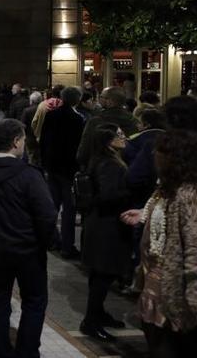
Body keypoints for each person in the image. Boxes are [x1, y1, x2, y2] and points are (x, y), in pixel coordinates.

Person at [0, 118, 57, 358]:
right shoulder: (28, 175)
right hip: (28, 251)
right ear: (16, 142)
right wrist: (46, 241)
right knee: (34, 302)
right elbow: (47, 214)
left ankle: (2, 351)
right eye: (24, 140)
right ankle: (27, 352)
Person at [126, 130, 197, 357]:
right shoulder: (166, 190)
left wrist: (194, 301)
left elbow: (194, 250)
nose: (154, 154)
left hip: (174, 294)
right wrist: (142, 214)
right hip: (155, 285)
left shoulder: (187, 195)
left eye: (161, 151)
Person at [79, 125, 132, 341]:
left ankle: (98, 313)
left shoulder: (103, 159)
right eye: (119, 135)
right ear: (108, 141)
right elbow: (108, 195)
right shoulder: (109, 163)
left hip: (101, 223)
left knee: (101, 273)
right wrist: (131, 191)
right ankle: (90, 321)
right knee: (103, 274)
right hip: (106, 226)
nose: (124, 137)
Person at [39, 86, 85, 259]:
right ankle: (67, 245)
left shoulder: (51, 115)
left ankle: (51, 239)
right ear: (77, 100)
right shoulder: (78, 119)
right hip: (69, 169)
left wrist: (44, 163)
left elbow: (43, 141)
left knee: (52, 205)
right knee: (69, 209)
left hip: (52, 166)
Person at [77, 86, 140, 168]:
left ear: (110, 101)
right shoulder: (135, 121)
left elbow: (83, 153)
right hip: (128, 169)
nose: (99, 99)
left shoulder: (96, 121)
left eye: (101, 97)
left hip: (101, 170)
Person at [20, 91, 44, 164]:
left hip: (30, 137)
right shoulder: (44, 110)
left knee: (31, 156)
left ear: (32, 101)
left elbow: (22, 124)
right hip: (42, 137)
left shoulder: (27, 110)